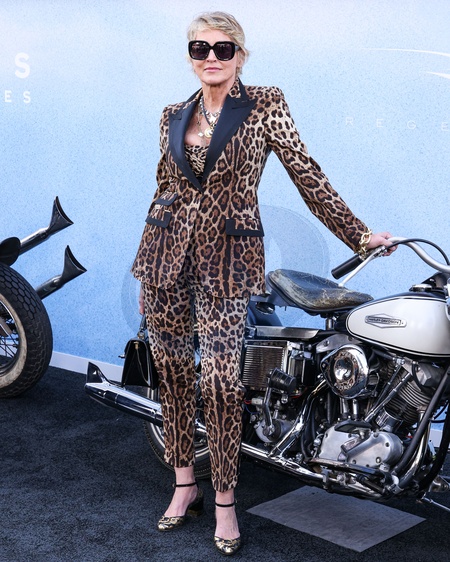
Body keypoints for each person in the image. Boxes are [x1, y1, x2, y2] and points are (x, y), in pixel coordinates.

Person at [131, 11, 395, 556]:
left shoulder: (265, 104)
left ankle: (225, 501)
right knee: (175, 375)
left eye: (223, 48)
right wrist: (145, 268)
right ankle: (184, 485)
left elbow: (307, 174)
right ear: (190, 56)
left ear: (240, 55)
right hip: (164, 257)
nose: (211, 57)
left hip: (228, 261)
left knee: (222, 384)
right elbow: (163, 190)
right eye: (200, 48)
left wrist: (359, 234)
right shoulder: (172, 115)